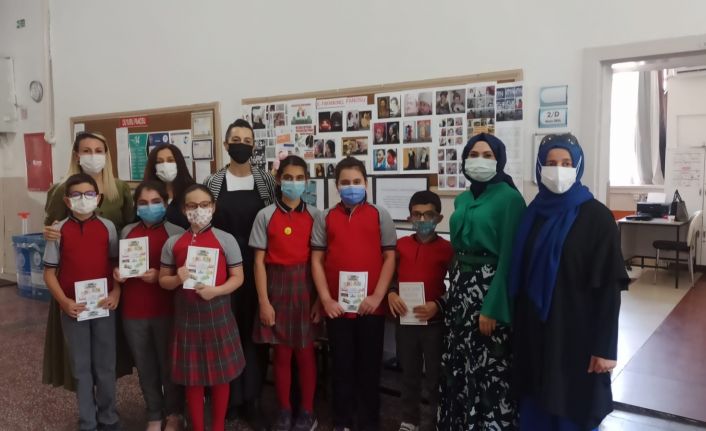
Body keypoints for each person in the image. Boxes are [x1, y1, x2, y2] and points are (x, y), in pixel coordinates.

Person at [509, 134, 628, 431]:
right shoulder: (532, 214)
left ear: (578, 166)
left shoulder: (597, 217)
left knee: (572, 409)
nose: (558, 170)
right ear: (540, 167)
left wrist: (605, 348)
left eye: (566, 163)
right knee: (536, 404)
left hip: (577, 335)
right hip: (535, 331)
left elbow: (609, 288)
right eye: (551, 163)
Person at [437, 133, 526, 430]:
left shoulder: (510, 199)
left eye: (488, 155)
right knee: (459, 363)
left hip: (489, 291)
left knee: (488, 366)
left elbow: (509, 257)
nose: (480, 160)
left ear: (499, 160)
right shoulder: (463, 198)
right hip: (461, 290)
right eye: (474, 154)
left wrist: (493, 307)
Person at [42, 131, 134, 392]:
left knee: (108, 348)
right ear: (77, 155)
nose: (93, 156)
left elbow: (129, 228)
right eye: (87, 151)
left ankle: (106, 402)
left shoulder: (119, 189)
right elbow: (50, 228)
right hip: (72, 283)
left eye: (98, 150)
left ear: (107, 155)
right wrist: (47, 232)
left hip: (109, 278)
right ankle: (85, 401)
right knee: (78, 351)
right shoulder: (61, 190)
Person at [311, 157, 396, 431]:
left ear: (366, 183)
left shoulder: (380, 215)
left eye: (357, 182)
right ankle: (342, 421)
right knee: (342, 366)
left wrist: (377, 296)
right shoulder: (325, 217)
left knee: (370, 368)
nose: (351, 187)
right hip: (337, 308)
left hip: (371, 307)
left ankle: (369, 422)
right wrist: (325, 299)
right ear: (337, 186)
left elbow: (389, 257)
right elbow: (317, 260)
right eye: (345, 182)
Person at [204, 119, 277, 428]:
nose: (242, 145)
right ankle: (230, 400)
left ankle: (253, 399)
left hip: (258, 267)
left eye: (248, 141)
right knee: (226, 332)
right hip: (223, 271)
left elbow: (275, 220)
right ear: (225, 145)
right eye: (236, 140)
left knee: (256, 334)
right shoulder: (213, 182)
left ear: (254, 146)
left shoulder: (266, 181)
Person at [159, 184, 246, 431]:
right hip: (186, 319)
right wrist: (177, 279)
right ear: (184, 209)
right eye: (192, 205)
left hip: (218, 315)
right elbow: (163, 281)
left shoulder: (226, 240)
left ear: (213, 207)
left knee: (221, 378)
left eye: (204, 205)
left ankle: (218, 427)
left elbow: (238, 277)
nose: (199, 210)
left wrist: (215, 291)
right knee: (193, 380)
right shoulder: (174, 242)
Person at [43, 173, 121, 431]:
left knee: (106, 366)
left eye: (89, 194)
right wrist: (64, 302)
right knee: (81, 367)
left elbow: (116, 265)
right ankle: (88, 421)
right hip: (73, 309)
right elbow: (49, 273)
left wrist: (116, 293)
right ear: (67, 201)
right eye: (76, 195)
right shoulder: (58, 231)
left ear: (98, 198)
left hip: (104, 306)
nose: (83, 199)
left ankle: (108, 417)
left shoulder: (108, 227)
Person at [249, 156, 321, 431]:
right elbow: (258, 263)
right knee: (280, 355)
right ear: (278, 180)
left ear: (306, 181)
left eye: (299, 178)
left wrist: (319, 299)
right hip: (275, 289)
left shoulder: (316, 215)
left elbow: (321, 262)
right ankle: (284, 410)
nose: (294, 183)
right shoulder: (265, 215)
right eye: (288, 177)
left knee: (305, 354)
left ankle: (307, 411)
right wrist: (263, 302)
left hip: (306, 287)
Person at [114, 181, 185, 431]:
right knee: (145, 367)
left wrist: (161, 276)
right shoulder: (127, 232)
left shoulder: (177, 233)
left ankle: (174, 412)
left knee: (169, 365)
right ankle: (154, 412)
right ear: (136, 206)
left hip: (167, 310)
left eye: (156, 202)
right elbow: (117, 264)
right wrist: (118, 274)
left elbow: (185, 273)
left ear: (166, 203)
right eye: (143, 203)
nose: (149, 207)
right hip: (133, 311)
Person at [388, 191, 454, 431]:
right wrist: (391, 293)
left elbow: (457, 285)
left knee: (436, 376)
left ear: (439, 218)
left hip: (434, 325)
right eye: (417, 214)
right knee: (409, 374)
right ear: (409, 217)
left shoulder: (449, 249)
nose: (422, 219)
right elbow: (389, 277)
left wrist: (439, 304)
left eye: (428, 215)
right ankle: (409, 419)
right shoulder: (400, 246)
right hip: (406, 322)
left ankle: (437, 420)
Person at [143, 144, 195, 229]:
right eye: (159, 162)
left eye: (170, 160)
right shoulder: (145, 193)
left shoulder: (193, 192)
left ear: (179, 163)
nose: (165, 165)